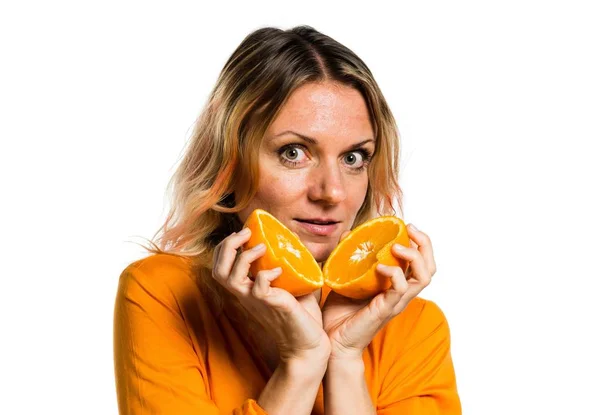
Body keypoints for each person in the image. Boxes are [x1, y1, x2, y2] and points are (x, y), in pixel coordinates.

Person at [113, 25, 461, 415]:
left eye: (353, 158)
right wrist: (302, 361)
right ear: (230, 162)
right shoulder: (165, 294)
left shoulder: (414, 326)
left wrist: (344, 357)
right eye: (294, 152)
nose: (331, 192)